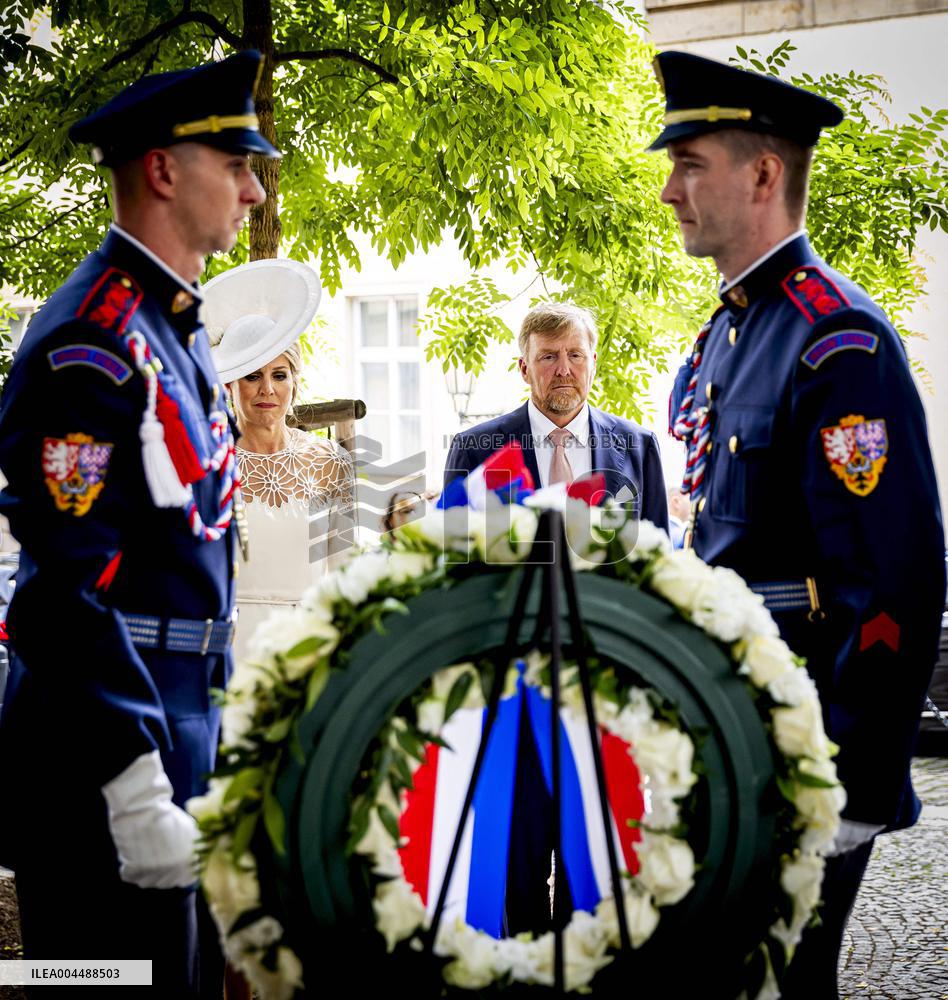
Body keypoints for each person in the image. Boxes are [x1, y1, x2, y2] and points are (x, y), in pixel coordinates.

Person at [655, 50, 945, 996]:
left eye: (691, 164)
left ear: (764, 175)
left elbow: (896, 574)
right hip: (737, 721)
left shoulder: (837, 338)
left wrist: (854, 785)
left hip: (811, 734)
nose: (669, 191)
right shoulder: (729, 334)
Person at [0, 50, 274, 996]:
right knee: (103, 986)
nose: (251, 190)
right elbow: (62, 587)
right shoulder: (92, 339)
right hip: (104, 756)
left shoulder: (178, 328)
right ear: (162, 170)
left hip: (178, 728)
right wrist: (131, 776)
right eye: (234, 166)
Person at [205, 259, 355, 664]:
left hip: (307, 650)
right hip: (227, 649)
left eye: (280, 374)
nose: (267, 389)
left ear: (295, 380)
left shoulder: (330, 462)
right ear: (230, 384)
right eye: (252, 376)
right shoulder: (209, 463)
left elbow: (345, 574)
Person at [443, 301, 669, 531]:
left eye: (575, 355)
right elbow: (455, 553)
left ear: (593, 364)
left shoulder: (641, 447)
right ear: (524, 369)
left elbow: (659, 555)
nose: (564, 369)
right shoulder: (474, 449)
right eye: (549, 357)